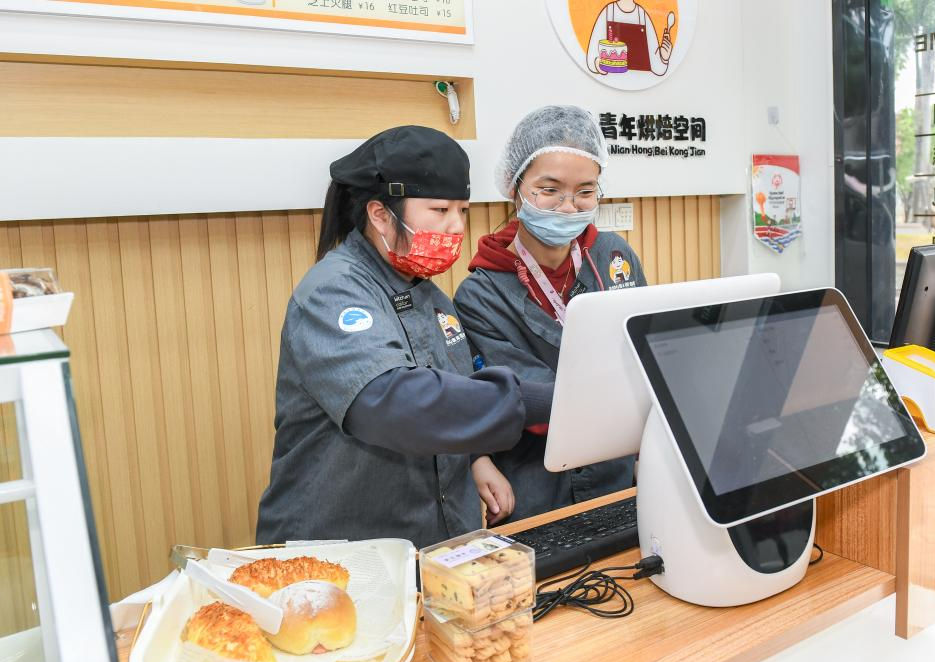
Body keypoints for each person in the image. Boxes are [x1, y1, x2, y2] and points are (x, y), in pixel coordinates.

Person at [256, 126, 550, 547]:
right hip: (344, 547)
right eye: (439, 209)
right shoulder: (333, 291)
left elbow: (452, 394)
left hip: (437, 540)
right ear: (379, 214)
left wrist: (476, 459)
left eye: (463, 211)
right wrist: (537, 400)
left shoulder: (434, 299)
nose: (456, 227)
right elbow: (393, 402)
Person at [454, 106, 646, 524]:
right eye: (550, 189)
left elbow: (643, 351)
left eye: (585, 191)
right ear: (514, 187)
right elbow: (523, 397)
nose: (568, 207)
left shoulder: (614, 257)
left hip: (615, 473)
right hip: (535, 485)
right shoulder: (481, 293)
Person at [586, 0, 674, 76]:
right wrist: (598, 64)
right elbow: (592, 57)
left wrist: (664, 57)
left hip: (640, 81)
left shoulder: (642, 15)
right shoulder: (608, 12)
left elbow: (657, 68)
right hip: (613, 80)